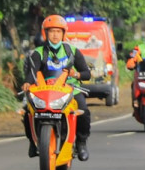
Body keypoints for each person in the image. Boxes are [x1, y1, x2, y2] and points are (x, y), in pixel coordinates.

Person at [23, 14, 93, 160]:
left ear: (63, 33)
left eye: (58, 31)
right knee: (27, 111)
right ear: (45, 33)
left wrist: (76, 74)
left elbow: (86, 74)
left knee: (84, 111)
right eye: (51, 31)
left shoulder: (72, 51)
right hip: (45, 91)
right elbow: (32, 71)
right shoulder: (38, 52)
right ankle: (32, 142)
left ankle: (81, 143)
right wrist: (27, 83)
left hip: (70, 90)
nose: (55, 35)